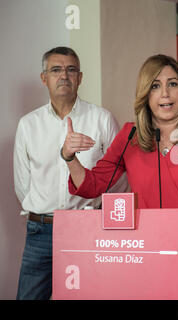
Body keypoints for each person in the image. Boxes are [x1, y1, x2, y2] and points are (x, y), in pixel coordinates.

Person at [61, 54, 178, 299]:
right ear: (145, 95)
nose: (165, 94)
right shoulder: (130, 135)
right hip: (152, 256)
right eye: (155, 86)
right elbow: (92, 185)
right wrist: (68, 157)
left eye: (173, 84)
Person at [13, 47, 128, 300]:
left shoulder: (102, 119)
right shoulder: (28, 125)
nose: (64, 75)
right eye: (56, 70)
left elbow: (118, 183)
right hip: (40, 232)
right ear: (44, 78)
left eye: (71, 69)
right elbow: (23, 184)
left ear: (80, 77)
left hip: (88, 229)